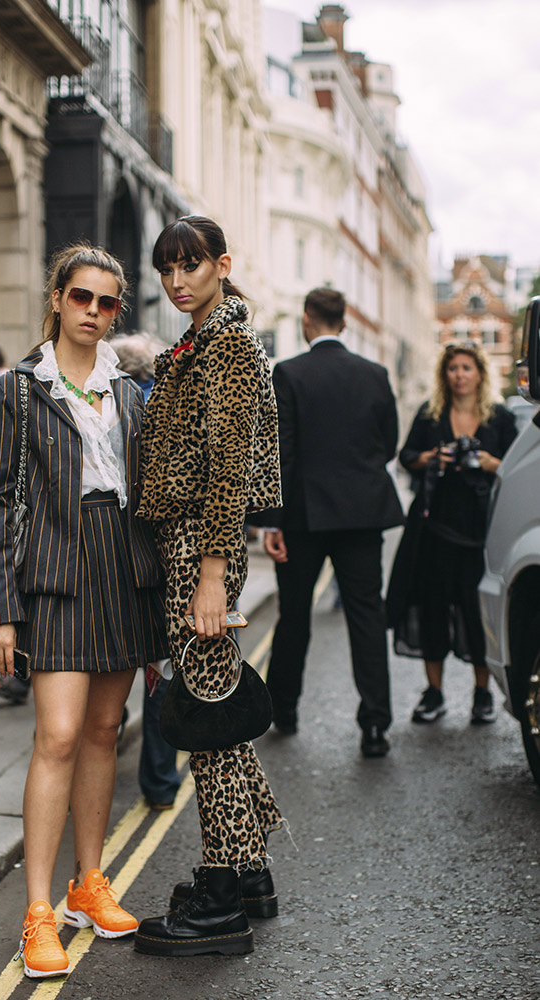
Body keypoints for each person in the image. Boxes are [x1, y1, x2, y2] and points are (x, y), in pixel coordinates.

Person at [0, 244, 168, 979]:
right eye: (81, 297)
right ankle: (38, 912)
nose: (92, 311)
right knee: (55, 734)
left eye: (107, 302)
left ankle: (90, 884)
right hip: (54, 573)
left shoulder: (129, 391)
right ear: (56, 297)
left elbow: (150, 494)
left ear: (117, 311)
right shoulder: (17, 389)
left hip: (123, 564)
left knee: (104, 730)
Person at [133, 215, 284, 958]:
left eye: (189, 264)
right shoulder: (199, 344)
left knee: (208, 729)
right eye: (167, 267)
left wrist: (212, 580)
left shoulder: (225, 346)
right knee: (213, 711)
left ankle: (220, 900)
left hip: (202, 549)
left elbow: (227, 473)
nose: (176, 280)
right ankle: (249, 872)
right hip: (191, 546)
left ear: (221, 264)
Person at [261, 288, 403, 758]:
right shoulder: (375, 375)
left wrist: (272, 523)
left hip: (304, 515)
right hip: (363, 515)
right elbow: (389, 445)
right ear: (344, 323)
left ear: (307, 321)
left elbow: (282, 453)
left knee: (295, 614)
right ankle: (376, 725)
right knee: (367, 616)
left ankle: (285, 709)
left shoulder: (289, 372)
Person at [386, 341, 517, 725]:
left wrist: (492, 463)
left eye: (466, 368)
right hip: (434, 530)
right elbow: (407, 456)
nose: (459, 375)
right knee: (432, 610)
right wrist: (432, 457)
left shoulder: (500, 419)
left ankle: (482, 693)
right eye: (453, 368)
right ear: (445, 375)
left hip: (482, 534)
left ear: (480, 373)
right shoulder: (430, 416)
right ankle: (434, 692)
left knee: (479, 614)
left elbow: (517, 468)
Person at [110, 331, 181, 811]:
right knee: (160, 676)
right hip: (160, 559)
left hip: (108, 558)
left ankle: (95, 754)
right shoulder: (166, 406)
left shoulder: (103, 404)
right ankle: (158, 784)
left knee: (103, 674)